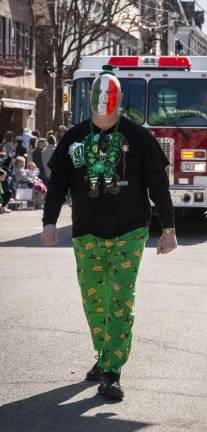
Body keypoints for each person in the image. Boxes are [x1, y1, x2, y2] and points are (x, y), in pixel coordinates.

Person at [41, 64, 177, 401]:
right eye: (99, 96)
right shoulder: (73, 137)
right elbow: (57, 183)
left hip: (129, 231)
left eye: (109, 96)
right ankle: (103, 356)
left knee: (119, 298)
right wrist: (49, 221)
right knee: (94, 300)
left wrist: (169, 228)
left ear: (117, 100)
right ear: (90, 99)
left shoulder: (139, 137)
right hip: (86, 232)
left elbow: (158, 185)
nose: (104, 102)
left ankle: (113, 371)